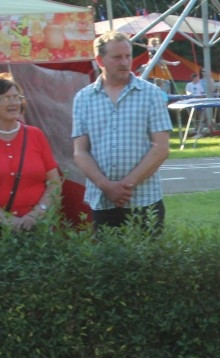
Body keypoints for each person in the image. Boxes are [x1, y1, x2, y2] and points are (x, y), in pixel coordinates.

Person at [72, 31, 171, 233]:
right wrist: (106, 186)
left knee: (149, 262)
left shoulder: (150, 94)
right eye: (117, 57)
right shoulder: (83, 98)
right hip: (102, 201)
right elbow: (80, 152)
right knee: (108, 263)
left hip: (145, 200)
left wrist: (126, 185)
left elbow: (161, 148)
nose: (125, 62)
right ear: (100, 60)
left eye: (128, 56)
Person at [0, 74, 61, 232]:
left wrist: (38, 213)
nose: (14, 103)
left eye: (16, 97)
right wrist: (7, 220)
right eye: (6, 98)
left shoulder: (35, 135)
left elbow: (54, 182)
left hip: (38, 228)